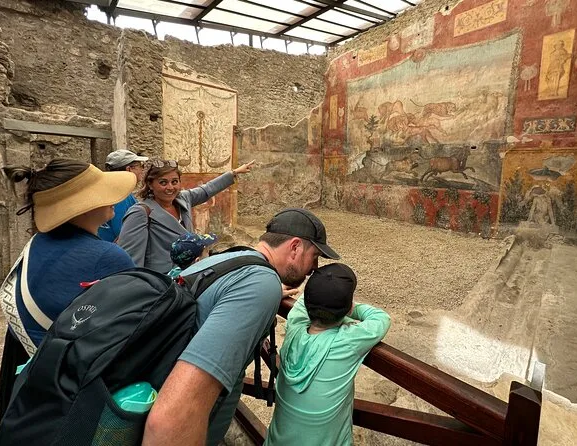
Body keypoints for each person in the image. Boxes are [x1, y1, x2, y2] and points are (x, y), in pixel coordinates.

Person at [142, 208, 340, 446]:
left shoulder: (230, 258)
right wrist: (262, 291)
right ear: (295, 247)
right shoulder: (259, 284)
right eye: (315, 255)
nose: (315, 267)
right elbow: (171, 419)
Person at [0, 158, 137, 417]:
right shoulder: (108, 256)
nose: (114, 199)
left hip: (22, 381)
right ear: (82, 207)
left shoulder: (37, 243)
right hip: (67, 394)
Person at [265, 263, 391, 446]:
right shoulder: (346, 341)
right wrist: (351, 310)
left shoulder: (295, 326)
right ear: (348, 307)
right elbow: (381, 318)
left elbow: (302, 303)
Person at [117, 159, 255, 273]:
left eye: (174, 182)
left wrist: (233, 173)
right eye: (163, 182)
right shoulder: (140, 213)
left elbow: (206, 190)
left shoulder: (183, 199)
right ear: (150, 184)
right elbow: (131, 259)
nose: (170, 187)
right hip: (161, 284)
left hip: (188, 276)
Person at [97, 148, 148, 242]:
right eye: (141, 166)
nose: (142, 169)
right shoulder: (121, 195)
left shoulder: (108, 189)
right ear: (129, 169)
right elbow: (123, 233)